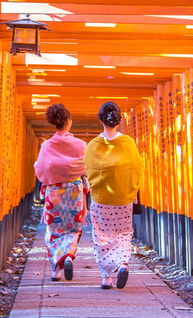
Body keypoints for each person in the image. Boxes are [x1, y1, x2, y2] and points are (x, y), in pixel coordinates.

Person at [84, 101, 143, 289]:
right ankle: (123, 263)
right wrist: (130, 189)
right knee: (124, 233)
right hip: (124, 199)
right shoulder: (128, 143)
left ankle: (106, 278)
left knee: (101, 236)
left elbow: (87, 171)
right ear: (119, 120)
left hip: (101, 200)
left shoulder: (93, 145)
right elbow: (137, 169)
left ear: (100, 119)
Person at [34, 103, 89, 281]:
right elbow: (88, 167)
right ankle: (68, 255)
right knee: (73, 228)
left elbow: (40, 170)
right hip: (74, 193)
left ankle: (56, 271)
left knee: (54, 230)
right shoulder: (80, 145)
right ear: (69, 121)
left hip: (54, 193)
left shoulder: (46, 146)